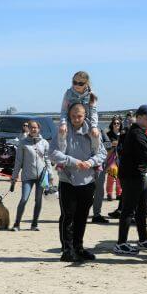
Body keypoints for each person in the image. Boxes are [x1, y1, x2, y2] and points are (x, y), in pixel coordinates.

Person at [50, 103, 107, 263]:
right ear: (69, 115)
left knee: (82, 216)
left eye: (80, 116)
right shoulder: (62, 131)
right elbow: (53, 153)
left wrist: (90, 162)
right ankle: (67, 250)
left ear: (85, 116)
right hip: (68, 180)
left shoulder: (93, 131)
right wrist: (74, 161)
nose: (76, 119)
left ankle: (78, 248)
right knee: (68, 216)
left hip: (88, 180)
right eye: (73, 116)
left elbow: (102, 153)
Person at [112, 105, 147, 255]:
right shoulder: (136, 133)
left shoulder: (141, 132)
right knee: (128, 210)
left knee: (141, 210)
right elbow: (146, 155)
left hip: (140, 175)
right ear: (139, 117)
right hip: (131, 176)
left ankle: (143, 240)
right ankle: (121, 243)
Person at [10, 120, 50, 231]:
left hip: (41, 176)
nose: (33, 129)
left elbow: (47, 160)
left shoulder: (45, 143)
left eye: (35, 127)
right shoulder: (23, 143)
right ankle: (16, 224)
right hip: (27, 176)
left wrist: (50, 175)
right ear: (28, 129)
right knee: (24, 199)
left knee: (38, 200)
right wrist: (14, 176)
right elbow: (18, 162)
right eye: (31, 127)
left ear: (39, 129)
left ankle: (34, 224)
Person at [59, 71, 100, 149]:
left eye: (80, 83)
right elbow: (64, 110)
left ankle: (95, 154)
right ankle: (62, 153)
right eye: (74, 82)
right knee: (61, 132)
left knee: (95, 134)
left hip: (86, 121)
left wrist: (94, 126)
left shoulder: (91, 95)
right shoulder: (68, 93)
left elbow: (93, 112)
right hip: (71, 121)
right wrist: (63, 123)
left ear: (86, 83)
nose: (77, 85)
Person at [90, 130, 112, 224]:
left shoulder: (100, 131)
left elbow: (109, 147)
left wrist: (106, 163)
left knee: (99, 191)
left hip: (98, 166)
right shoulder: (76, 131)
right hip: (83, 166)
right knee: (84, 191)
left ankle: (96, 215)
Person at [105, 118, 122, 201]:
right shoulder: (108, 134)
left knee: (119, 176)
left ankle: (119, 193)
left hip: (121, 157)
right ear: (112, 124)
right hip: (111, 157)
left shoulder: (123, 134)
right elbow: (105, 146)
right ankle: (109, 193)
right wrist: (112, 145)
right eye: (114, 123)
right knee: (112, 174)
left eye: (118, 123)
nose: (116, 125)